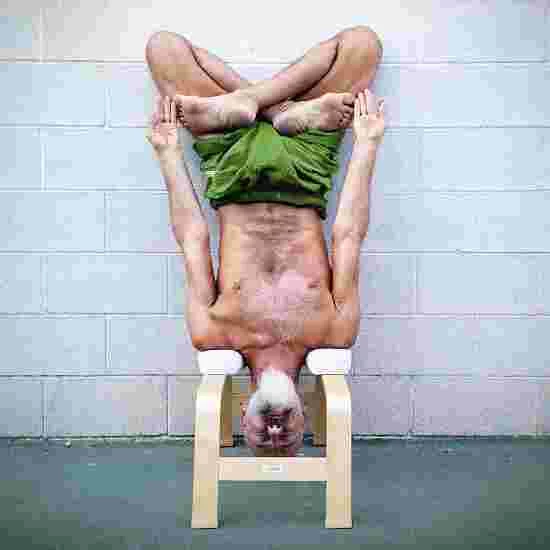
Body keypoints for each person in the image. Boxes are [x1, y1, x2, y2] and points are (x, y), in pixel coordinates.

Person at [145, 26, 385, 457]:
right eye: (287, 438)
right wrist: (367, 144)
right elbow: (348, 234)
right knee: (362, 45)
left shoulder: (214, 332)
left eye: (262, 437)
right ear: (304, 418)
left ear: (244, 415)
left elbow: (192, 236)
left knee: (164, 48)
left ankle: (254, 106)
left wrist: (168, 154)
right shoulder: (334, 330)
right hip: (306, 164)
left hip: (229, 163)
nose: (275, 431)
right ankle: (270, 110)